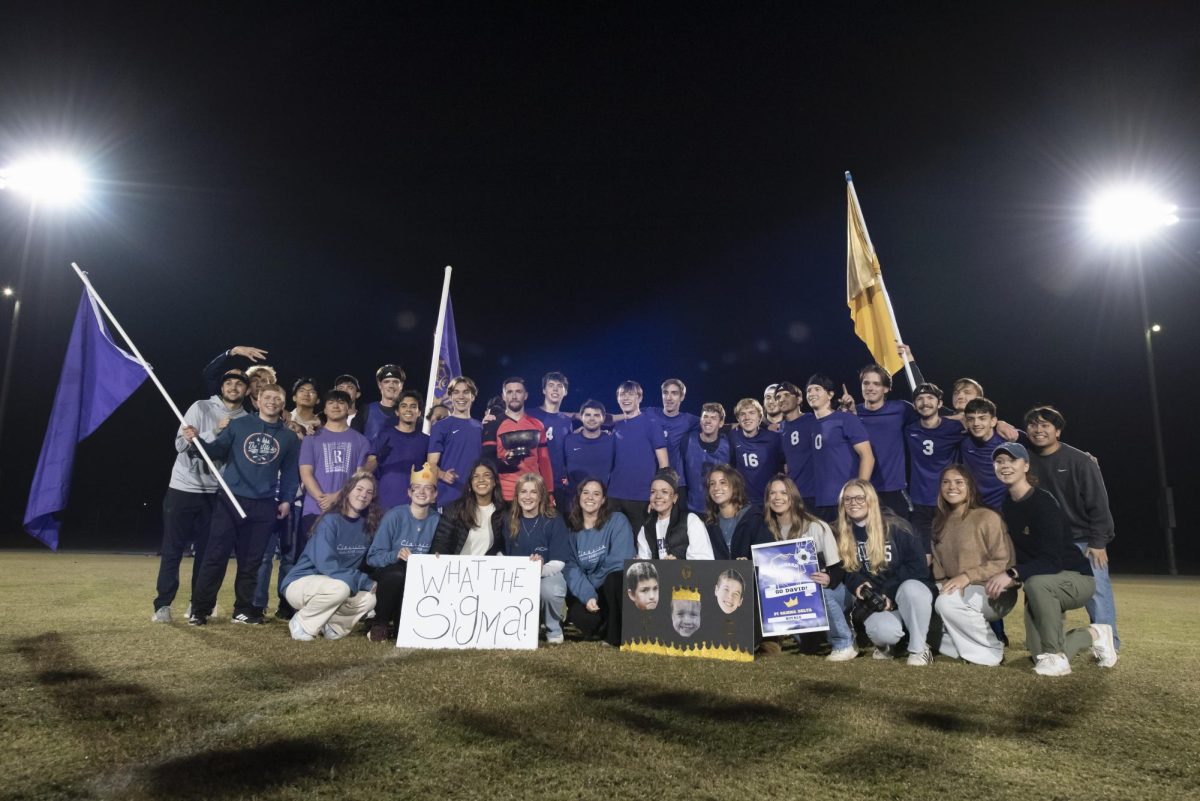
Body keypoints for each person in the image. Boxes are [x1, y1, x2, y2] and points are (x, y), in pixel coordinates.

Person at [990, 443, 1117, 676]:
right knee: (1038, 655)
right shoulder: (1007, 503)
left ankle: (1056, 656)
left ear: (1026, 465)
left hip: (1074, 577)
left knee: (1035, 584)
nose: (1005, 466)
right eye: (999, 462)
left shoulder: (1043, 501)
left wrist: (1013, 573)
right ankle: (1095, 634)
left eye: (1012, 460)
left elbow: (1052, 560)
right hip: (1042, 583)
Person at [184, 383, 301, 626]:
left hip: (264, 505)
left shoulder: (289, 438)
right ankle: (200, 609)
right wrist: (197, 442)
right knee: (215, 556)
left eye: (277, 398)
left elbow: (290, 473)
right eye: (267, 397)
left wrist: (287, 500)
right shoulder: (238, 425)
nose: (272, 401)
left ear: (283, 404)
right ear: (258, 401)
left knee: (252, 561)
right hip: (230, 499)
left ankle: (243, 609)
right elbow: (216, 450)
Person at [151, 369, 248, 623]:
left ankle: (198, 605)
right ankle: (163, 605)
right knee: (172, 549)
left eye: (239, 384)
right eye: (229, 383)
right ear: (222, 387)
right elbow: (180, 445)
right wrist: (214, 431)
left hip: (215, 493)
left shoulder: (247, 419)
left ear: (246, 391)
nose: (233, 387)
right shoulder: (201, 407)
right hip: (183, 487)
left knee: (206, 554)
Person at [1025, 405, 1120, 650]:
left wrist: (1098, 542)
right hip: (1047, 543)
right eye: (1033, 425)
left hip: (1082, 540)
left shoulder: (1080, 460)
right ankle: (1049, 642)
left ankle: (1109, 645)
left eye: (1045, 425)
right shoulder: (1024, 461)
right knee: (1044, 592)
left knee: (1097, 594)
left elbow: (1099, 503)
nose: (1038, 430)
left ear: (1058, 431)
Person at [836, 479, 934, 665]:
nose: (853, 503)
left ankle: (920, 649)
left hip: (904, 594)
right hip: (876, 602)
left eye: (859, 498)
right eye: (847, 499)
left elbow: (918, 568)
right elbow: (843, 570)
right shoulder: (840, 532)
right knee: (885, 633)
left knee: (912, 588)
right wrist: (856, 584)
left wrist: (889, 592)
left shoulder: (897, 526)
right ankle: (889, 646)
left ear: (871, 499)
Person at [930, 465, 1017, 666]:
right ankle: (964, 650)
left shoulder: (987, 517)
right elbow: (939, 571)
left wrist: (967, 576)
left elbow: (1004, 562)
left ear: (970, 487)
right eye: (946, 482)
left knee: (946, 602)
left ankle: (992, 652)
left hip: (995, 590)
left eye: (959, 482)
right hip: (957, 588)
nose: (952, 487)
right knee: (924, 601)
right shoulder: (939, 522)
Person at [764, 475, 856, 661]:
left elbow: (838, 568)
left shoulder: (816, 526)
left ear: (793, 497)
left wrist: (829, 578)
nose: (777, 497)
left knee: (822, 591)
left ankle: (845, 642)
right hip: (795, 597)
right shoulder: (767, 531)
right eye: (772, 493)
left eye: (783, 492)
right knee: (807, 646)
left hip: (832, 591)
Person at [281, 472, 381, 641]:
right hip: (301, 583)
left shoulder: (367, 526)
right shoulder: (330, 521)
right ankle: (302, 623)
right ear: (348, 491)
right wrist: (363, 581)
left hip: (334, 585)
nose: (363, 495)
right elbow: (326, 564)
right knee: (340, 588)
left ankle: (333, 626)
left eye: (369, 492)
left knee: (369, 599)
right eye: (359, 489)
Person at [365, 463, 441, 642]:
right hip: (391, 572)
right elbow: (373, 557)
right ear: (409, 492)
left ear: (435, 495)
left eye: (428, 488)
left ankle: (399, 625)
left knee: (404, 634)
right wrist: (395, 554)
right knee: (399, 574)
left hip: (419, 577)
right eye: (416, 488)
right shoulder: (394, 516)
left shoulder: (438, 520)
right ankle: (380, 623)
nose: (421, 492)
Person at [563, 478, 635, 646]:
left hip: (610, 587)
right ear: (579, 496)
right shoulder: (570, 530)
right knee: (585, 619)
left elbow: (618, 561)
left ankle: (615, 633)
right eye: (586, 492)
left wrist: (593, 586)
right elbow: (571, 568)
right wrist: (588, 596)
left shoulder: (617, 521)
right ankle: (605, 626)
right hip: (587, 590)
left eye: (596, 494)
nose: (590, 497)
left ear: (603, 500)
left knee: (614, 579)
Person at [503, 473, 571, 644]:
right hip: (516, 576)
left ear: (541, 495)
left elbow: (559, 560)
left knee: (550, 590)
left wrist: (540, 569)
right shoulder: (508, 519)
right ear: (517, 496)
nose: (528, 497)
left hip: (547, 574)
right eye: (523, 492)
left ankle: (553, 628)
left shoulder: (554, 519)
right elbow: (501, 552)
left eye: (533, 492)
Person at [848, 364, 917, 519]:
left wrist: (959, 417)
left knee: (898, 539)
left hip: (893, 490)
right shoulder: (852, 413)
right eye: (866, 383)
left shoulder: (901, 409)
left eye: (876, 384)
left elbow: (929, 415)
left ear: (886, 389)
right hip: (862, 488)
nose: (870, 388)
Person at [905, 382, 965, 551]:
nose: (925, 402)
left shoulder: (955, 428)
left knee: (949, 550)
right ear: (915, 406)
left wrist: (1002, 424)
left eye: (930, 398)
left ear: (939, 403)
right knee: (923, 553)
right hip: (919, 502)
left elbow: (982, 426)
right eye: (920, 399)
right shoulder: (909, 430)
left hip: (947, 500)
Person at [805, 374, 874, 521]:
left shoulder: (846, 419)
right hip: (820, 501)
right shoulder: (809, 425)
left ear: (830, 395)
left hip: (846, 501)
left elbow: (867, 456)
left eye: (817, 389)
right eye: (809, 390)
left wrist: (860, 492)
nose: (811, 394)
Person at [481, 377, 554, 502]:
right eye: (509, 392)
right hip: (506, 495)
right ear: (503, 396)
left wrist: (550, 492)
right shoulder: (493, 425)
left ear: (525, 395)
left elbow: (544, 461)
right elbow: (488, 463)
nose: (514, 396)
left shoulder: (538, 425)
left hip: (533, 493)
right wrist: (507, 462)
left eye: (518, 392)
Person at [608, 380, 669, 527]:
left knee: (641, 544)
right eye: (622, 394)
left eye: (631, 394)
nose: (626, 398)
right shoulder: (616, 428)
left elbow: (664, 464)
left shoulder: (652, 424)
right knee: (615, 543)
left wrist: (656, 496)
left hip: (641, 496)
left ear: (639, 398)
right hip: (614, 495)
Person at [426, 376, 484, 508]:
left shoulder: (480, 427)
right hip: (448, 498)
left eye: (466, 392)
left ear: (473, 396)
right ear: (451, 397)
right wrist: (443, 475)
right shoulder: (440, 426)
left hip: (476, 498)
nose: (461, 396)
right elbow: (431, 463)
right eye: (456, 392)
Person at [368, 390, 430, 509]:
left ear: (419, 412)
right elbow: (367, 469)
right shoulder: (384, 436)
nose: (408, 410)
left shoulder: (426, 441)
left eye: (413, 406)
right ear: (397, 412)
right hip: (385, 504)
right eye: (404, 406)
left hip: (414, 506)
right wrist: (378, 459)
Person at [430, 460, 506, 556]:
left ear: (494, 482)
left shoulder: (503, 511)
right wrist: (438, 554)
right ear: (470, 484)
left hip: (486, 569)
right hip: (457, 568)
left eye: (487, 475)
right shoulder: (455, 509)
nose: (481, 479)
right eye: (475, 476)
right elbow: (441, 541)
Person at [635, 469, 715, 560]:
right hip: (658, 574)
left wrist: (676, 566)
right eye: (653, 492)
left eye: (664, 492)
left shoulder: (690, 521)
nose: (658, 496)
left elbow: (703, 561)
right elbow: (644, 565)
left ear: (675, 498)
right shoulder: (646, 528)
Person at [527, 371, 575, 510]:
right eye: (551, 385)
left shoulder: (566, 421)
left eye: (560, 386)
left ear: (565, 392)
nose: (555, 389)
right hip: (534, 482)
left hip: (559, 485)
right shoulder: (530, 415)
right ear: (544, 390)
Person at [645, 378, 700, 498]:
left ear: (682, 397)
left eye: (674, 393)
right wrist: (603, 420)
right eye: (665, 392)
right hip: (649, 481)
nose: (668, 397)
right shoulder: (650, 413)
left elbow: (714, 423)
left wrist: (741, 425)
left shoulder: (689, 420)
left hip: (677, 482)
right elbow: (626, 417)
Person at [703, 465, 771, 560]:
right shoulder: (709, 524)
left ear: (735, 486)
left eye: (723, 483)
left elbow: (766, 557)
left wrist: (748, 563)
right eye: (712, 484)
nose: (716, 488)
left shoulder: (754, 518)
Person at [960, 397, 1016, 511]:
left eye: (982, 418)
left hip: (1003, 509)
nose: (976, 423)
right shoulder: (962, 440)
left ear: (993, 421)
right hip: (973, 509)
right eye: (971, 419)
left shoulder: (1008, 441)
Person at [728, 398, 784, 508]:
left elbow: (784, 466)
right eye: (742, 414)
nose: (747, 417)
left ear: (760, 417)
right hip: (743, 503)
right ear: (738, 419)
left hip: (769, 501)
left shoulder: (773, 438)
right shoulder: (733, 437)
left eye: (752, 413)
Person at [681, 402, 731, 515]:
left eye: (713, 418)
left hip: (720, 510)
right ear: (700, 420)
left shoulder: (728, 445)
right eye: (705, 417)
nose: (708, 421)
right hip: (693, 509)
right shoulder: (688, 441)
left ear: (721, 423)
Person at [563, 399, 615, 499]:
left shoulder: (611, 440)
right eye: (587, 415)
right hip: (573, 500)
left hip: (602, 499)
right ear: (581, 417)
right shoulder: (569, 440)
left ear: (603, 418)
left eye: (596, 415)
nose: (592, 419)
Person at [363, 364, 405, 443]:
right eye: (386, 382)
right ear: (379, 385)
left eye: (395, 382)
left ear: (401, 385)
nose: (391, 385)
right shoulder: (366, 410)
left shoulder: (410, 413)